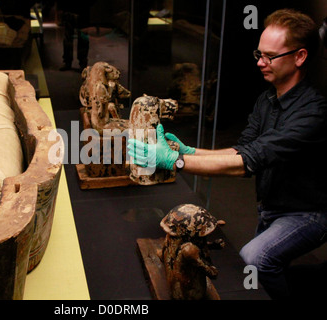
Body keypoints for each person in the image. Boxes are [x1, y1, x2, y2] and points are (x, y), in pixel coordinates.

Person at [128, 8, 327, 299]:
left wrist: (176, 161)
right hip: (271, 207)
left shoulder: (313, 113)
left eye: (270, 56)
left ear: (300, 57)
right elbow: (241, 149)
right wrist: (189, 150)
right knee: (262, 272)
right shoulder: (267, 99)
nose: (260, 62)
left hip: (307, 214)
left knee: (255, 260)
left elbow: (248, 162)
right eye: (258, 54)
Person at [56, 0, 94, 71]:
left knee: (72, 38)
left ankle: (70, 62)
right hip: (81, 10)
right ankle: (80, 63)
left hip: (76, 10)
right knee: (78, 38)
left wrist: (61, 8)